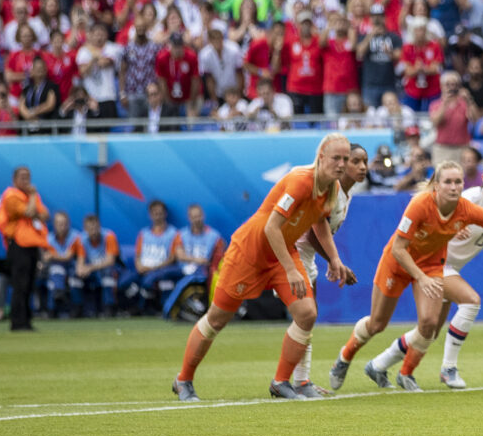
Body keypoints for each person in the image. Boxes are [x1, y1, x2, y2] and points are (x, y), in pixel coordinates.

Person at [173, 134, 354, 401]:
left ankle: (281, 382)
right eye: (336, 158)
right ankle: (183, 380)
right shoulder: (301, 181)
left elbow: (319, 224)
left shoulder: (332, 188)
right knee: (217, 319)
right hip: (250, 252)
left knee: (306, 313)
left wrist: (334, 259)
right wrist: (291, 270)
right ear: (321, 158)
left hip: (282, 251)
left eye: (345, 159)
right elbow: (271, 226)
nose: (341, 164)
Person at [329, 160, 483, 392]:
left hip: (434, 265)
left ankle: (403, 372)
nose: (454, 187)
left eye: (458, 182)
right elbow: (398, 248)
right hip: (398, 263)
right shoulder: (421, 204)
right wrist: (420, 278)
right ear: (436, 185)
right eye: (448, 182)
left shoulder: (469, 208)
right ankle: (344, 358)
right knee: (377, 324)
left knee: (429, 325)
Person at [290, 143, 369, 398]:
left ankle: (301, 381)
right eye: (355, 161)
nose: (362, 167)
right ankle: (297, 382)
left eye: (365, 162)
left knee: (307, 318)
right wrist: (336, 262)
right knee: (306, 316)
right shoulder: (331, 190)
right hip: (292, 254)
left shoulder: (345, 195)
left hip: (306, 258)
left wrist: (331, 261)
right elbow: (313, 233)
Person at [0, 166, 50, 331]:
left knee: (29, 284)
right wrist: (32, 198)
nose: (26, 181)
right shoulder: (11, 196)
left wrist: (33, 206)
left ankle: (26, 321)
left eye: (28, 177)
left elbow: (45, 215)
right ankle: (17, 322)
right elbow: (29, 212)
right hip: (18, 246)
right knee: (20, 284)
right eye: (23, 177)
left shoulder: (31, 196)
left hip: (32, 245)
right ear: (15, 180)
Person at [122, 200, 179, 313]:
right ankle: (131, 308)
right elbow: (137, 256)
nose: (157, 216)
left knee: (148, 281)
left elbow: (172, 258)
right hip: (142, 269)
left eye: (160, 213)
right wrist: (139, 267)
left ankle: (148, 308)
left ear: (165, 214)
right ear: (150, 215)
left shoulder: (173, 234)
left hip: (161, 269)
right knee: (123, 282)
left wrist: (153, 268)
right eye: (154, 213)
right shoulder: (144, 233)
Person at [74, 214, 121, 318]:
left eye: (95, 228)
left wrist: (89, 268)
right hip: (92, 271)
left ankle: (109, 308)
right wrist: (80, 270)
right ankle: (77, 309)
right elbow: (80, 261)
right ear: (85, 229)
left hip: (107, 269)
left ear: (99, 226)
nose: (94, 231)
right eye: (90, 229)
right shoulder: (81, 239)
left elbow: (110, 261)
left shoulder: (109, 236)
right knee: (75, 277)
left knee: (107, 275)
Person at [43, 211, 80, 317]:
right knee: (55, 272)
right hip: (53, 270)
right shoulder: (48, 238)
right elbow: (45, 257)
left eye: (64, 223)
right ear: (54, 225)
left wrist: (53, 256)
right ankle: (52, 309)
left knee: (72, 278)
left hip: (72, 268)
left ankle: (76, 310)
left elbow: (68, 257)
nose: (62, 227)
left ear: (68, 223)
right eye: (59, 224)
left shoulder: (75, 236)